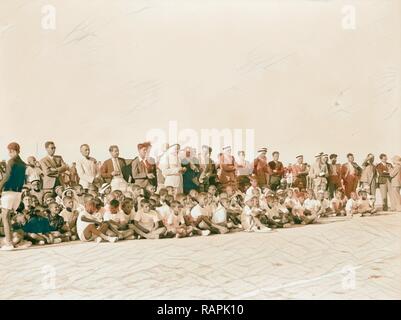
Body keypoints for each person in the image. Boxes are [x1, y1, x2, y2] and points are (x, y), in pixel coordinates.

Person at [0, 143, 27, 251]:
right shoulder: (23, 164)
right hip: (17, 193)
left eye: (9, 151)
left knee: (5, 217)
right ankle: (11, 241)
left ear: (11, 150)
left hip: (9, 192)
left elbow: (7, 177)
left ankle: (9, 243)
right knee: (8, 217)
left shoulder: (11, 161)